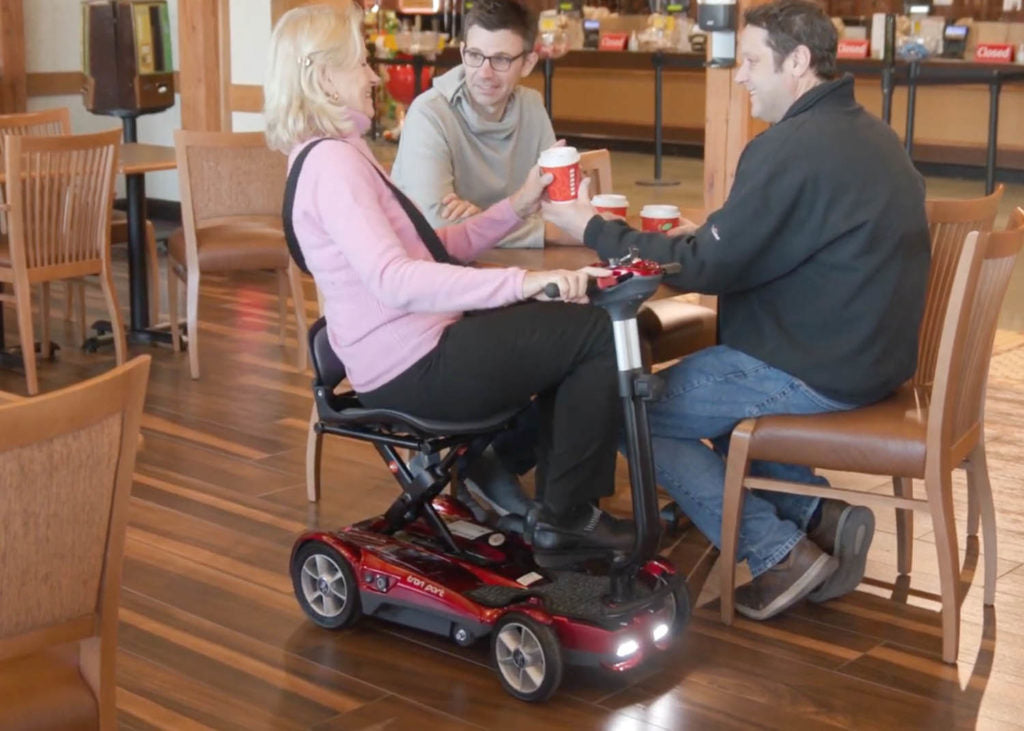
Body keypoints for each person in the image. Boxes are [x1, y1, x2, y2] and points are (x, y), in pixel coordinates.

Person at [541, 0, 931, 619]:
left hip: (817, 367)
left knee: (624, 409)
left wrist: (590, 225)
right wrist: (711, 239)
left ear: (798, 62)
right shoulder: (870, 135)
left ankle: (777, 553)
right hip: (872, 357)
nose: (741, 75)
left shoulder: (789, 147)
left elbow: (704, 269)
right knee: (708, 394)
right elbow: (774, 242)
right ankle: (814, 510)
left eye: (751, 61)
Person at [264, 3, 630, 557]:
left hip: (416, 350)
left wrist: (515, 207)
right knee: (594, 334)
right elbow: (395, 279)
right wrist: (522, 283)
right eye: (361, 63)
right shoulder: (332, 166)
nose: (373, 75)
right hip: (413, 368)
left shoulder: (340, 154)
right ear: (322, 79)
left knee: (573, 330)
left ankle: (510, 479)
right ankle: (566, 518)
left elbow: (433, 247)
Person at [390, 0, 574, 249]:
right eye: (475, 56)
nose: (485, 73)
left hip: (515, 268)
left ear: (528, 63)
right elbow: (435, 225)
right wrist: (543, 230)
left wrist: (481, 220)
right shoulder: (429, 114)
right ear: (463, 52)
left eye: (501, 59)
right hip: (434, 271)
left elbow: (558, 208)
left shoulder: (531, 106)